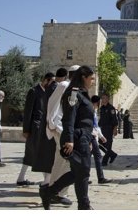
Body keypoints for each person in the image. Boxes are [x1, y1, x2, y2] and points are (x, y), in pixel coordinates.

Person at [40, 65, 96, 210]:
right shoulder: (74, 93)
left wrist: (89, 139)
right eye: (91, 78)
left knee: (78, 172)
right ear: (83, 77)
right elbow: (69, 118)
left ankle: (49, 192)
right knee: (82, 172)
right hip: (77, 138)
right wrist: (69, 139)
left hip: (84, 137)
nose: (93, 81)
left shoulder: (82, 93)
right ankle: (84, 206)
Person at [44, 67, 75, 206]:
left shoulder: (74, 89)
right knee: (67, 161)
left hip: (66, 129)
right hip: (60, 128)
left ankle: (53, 190)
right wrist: (51, 123)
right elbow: (52, 103)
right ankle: (58, 192)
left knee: (61, 161)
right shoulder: (64, 85)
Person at [18, 72, 55, 186]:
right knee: (37, 152)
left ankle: (21, 178)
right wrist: (26, 130)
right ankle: (47, 180)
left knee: (32, 153)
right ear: (45, 80)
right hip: (34, 127)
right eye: (51, 81)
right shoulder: (34, 91)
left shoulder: (47, 93)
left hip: (42, 127)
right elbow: (28, 111)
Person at [89, 95, 113, 184]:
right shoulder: (90, 110)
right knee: (97, 156)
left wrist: (101, 136)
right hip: (90, 136)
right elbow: (90, 125)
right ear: (97, 102)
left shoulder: (93, 111)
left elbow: (96, 125)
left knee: (90, 157)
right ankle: (100, 178)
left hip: (93, 136)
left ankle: (87, 177)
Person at [99, 93, 119, 166]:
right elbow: (101, 119)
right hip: (102, 129)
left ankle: (105, 161)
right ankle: (112, 154)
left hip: (109, 129)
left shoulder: (111, 108)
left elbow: (115, 120)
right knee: (100, 144)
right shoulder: (101, 108)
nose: (103, 100)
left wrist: (115, 129)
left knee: (108, 145)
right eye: (102, 98)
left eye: (104, 98)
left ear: (108, 99)